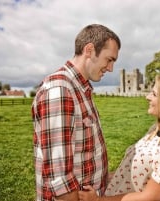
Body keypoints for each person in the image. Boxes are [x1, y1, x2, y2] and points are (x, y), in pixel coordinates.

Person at [78, 72, 160, 201]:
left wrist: (98, 200)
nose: (147, 97)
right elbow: (131, 172)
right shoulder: (154, 131)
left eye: (154, 94)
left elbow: (150, 197)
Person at [31, 24, 121, 201]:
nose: (110, 68)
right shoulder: (60, 89)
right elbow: (61, 180)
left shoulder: (80, 88)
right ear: (89, 50)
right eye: (109, 59)